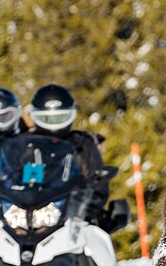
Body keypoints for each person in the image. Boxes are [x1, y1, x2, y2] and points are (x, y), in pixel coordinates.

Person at [27, 83, 109, 218]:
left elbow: (97, 188)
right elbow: (9, 179)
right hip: (28, 218)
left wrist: (85, 212)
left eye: (60, 117)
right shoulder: (26, 146)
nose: (53, 125)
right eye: (46, 118)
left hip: (73, 218)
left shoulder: (83, 145)